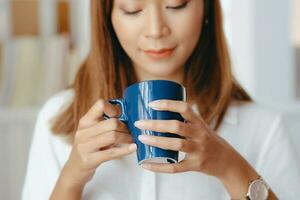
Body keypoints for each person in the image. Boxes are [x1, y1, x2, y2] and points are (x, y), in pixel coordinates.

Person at [22, 0, 300, 199]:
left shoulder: (263, 128)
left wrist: (229, 167)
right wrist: (72, 177)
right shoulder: (59, 119)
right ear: (108, 17)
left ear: (206, 9)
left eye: (176, 5)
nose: (155, 30)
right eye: (132, 9)